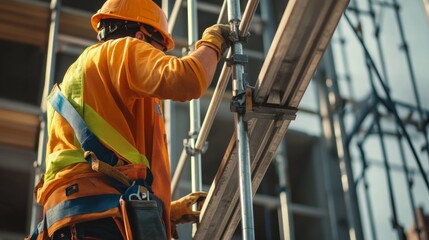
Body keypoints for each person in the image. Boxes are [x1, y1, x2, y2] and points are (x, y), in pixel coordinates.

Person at [27, 0, 230, 239]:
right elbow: (187, 79)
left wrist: (166, 211)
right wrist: (213, 41)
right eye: (159, 48)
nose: (158, 56)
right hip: (96, 221)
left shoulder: (85, 72)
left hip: (75, 218)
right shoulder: (124, 49)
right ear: (141, 36)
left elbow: (99, 164)